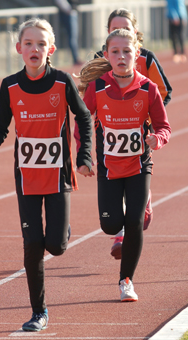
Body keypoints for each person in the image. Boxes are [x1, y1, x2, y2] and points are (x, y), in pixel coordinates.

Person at [0, 18, 93, 332]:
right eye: (28, 43)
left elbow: (84, 118)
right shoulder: (10, 85)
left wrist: (84, 156)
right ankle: (39, 312)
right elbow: (0, 124)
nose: (34, 49)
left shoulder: (61, 82)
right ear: (19, 48)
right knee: (32, 243)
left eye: (41, 44)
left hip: (57, 175)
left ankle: (63, 229)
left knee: (56, 246)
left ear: (51, 49)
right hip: (27, 177)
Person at [76, 28, 171, 301]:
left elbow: (164, 126)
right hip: (108, 167)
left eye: (127, 51)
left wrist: (157, 139)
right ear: (106, 55)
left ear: (136, 55)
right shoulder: (97, 88)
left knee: (135, 221)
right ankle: (118, 225)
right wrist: (85, 155)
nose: (121, 56)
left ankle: (126, 280)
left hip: (140, 165)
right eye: (115, 52)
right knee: (110, 224)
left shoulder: (148, 88)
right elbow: (83, 123)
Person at [54, 0, 83, 65]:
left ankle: (76, 58)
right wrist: (69, 10)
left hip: (72, 12)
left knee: (74, 37)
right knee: (72, 38)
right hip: (69, 13)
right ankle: (75, 58)